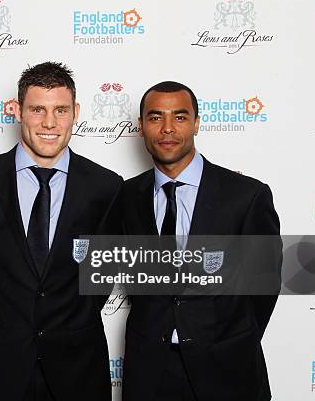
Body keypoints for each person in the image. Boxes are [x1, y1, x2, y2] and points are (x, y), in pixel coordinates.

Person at [0, 62, 122, 401]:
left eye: (60, 110)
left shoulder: (106, 187)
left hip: (77, 369)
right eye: (37, 110)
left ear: (75, 112)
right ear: (17, 111)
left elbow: (101, 279)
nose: (49, 123)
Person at [111, 81, 281, 401]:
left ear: (197, 123)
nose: (167, 129)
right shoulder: (126, 195)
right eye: (155, 117)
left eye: (180, 117)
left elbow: (265, 285)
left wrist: (229, 340)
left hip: (227, 369)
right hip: (149, 372)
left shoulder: (246, 196)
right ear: (141, 127)